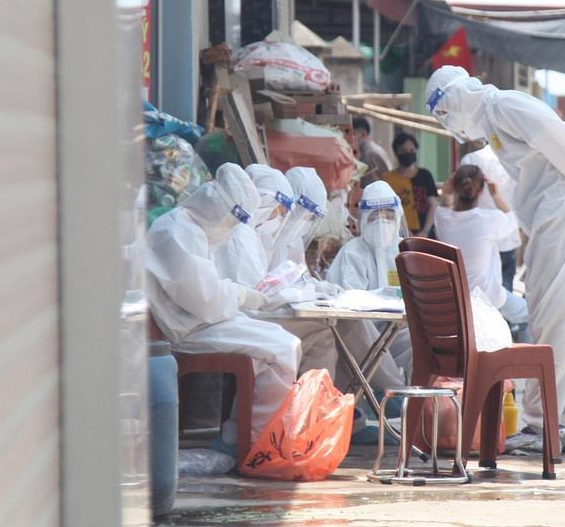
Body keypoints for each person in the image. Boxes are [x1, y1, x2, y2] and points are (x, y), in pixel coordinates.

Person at [425, 66, 565, 455]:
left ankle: (547, 425)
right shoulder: (493, 118)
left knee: (557, 316)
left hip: (560, 211)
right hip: (552, 214)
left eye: (443, 111)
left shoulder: (504, 104)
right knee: (561, 316)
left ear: (454, 98)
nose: (448, 121)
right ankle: (557, 423)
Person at [144, 163, 300, 455]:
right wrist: (242, 295)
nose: (230, 228)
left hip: (199, 321)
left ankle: (243, 435)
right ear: (217, 207)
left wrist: (240, 297)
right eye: (230, 220)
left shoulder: (192, 229)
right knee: (282, 346)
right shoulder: (176, 232)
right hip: (186, 329)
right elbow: (205, 298)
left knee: (279, 342)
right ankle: (259, 444)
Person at [327, 180, 414, 386]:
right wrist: (387, 294)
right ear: (364, 219)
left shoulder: (404, 251)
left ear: (397, 214)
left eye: (387, 214)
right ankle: (389, 399)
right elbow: (352, 301)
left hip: (396, 329)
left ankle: (416, 402)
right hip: (364, 330)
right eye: (375, 215)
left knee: (419, 340)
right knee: (363, 333)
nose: (382, 220)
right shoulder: (352, 252)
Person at [435, 164, 530, 342]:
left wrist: (447, 194)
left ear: (454, 187)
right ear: (481, 191)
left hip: (455, 301)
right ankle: (533, 363)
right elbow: (512, 219)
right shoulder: (487, 220)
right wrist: (496, 196)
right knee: (531, 316)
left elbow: (443, 208)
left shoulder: (443, 220)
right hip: (488, 297)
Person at [457, 140, 520, 292]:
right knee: (503, 301)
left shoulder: (470, 159)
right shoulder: (518, 161)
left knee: (474, 299)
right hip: (506, 239)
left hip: (475, 242)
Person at [382, 132, 438, 237]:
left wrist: (425, 231)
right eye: (403, 150)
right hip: (397, 234)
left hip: (425, 233)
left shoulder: (425, 175)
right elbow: (388, 210)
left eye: (411, 150)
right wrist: (404, 230)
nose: (408, 153)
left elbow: (432, 204)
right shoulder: (387, 179)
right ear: (396, 152)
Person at [353, 116, 393, 187]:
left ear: (363, 134)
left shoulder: (373, 153)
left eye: (353, 134)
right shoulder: (363, 153)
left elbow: (389, 178)